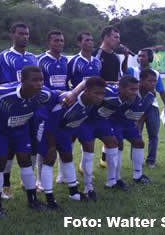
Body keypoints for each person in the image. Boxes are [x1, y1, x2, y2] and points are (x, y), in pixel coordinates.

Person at [0, 65, 58, 218]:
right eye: (34, 80)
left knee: (25, 161)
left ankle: (32, 200)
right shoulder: (1, 94)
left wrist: (72, 93)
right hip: (0, 132)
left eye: (41, 80)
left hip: (21, 131)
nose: (39, 83)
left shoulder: (43, 94)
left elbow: (58, 95)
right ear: (22, 81)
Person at [37, 76, 107, 205]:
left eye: (102, 94)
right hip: (49, 130)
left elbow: (92, 81)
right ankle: (49, 199)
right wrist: (51, 147)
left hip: (65, 131)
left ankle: (73, 192)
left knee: (68, 157)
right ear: (85, 92)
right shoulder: (66, 102)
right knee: (49, 160)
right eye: (96, 94)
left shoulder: (91, 102)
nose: (100, 97)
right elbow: (49, 124)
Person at [54, 32, 102, 184]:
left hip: (91, 107)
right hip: (75, 106)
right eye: (86, 40)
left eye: (92, 40)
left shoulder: (97, 62)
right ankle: (62, 175)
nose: (90, 43)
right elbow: (66, 83)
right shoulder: (73, 61)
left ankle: (83, 168)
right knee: (69, 140)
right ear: (79, 44)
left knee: (88, 138)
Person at [0, 23, 38, 198]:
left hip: (30, 108)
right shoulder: (4, 57)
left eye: (27, 34)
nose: (25, 37)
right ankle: (5, 185)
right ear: (12, 35)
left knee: (30, 147)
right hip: (10, 109)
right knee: (8, 151)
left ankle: (27, 181)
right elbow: (5, 85)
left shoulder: (33, 58)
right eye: (21, 34)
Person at [123, 48, 165, 168]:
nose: (140, 58)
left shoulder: (155, 73)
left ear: (150, 58)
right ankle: (135, 159)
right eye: (138, 56)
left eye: (143, 56)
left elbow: (161, 90)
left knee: (153, 135)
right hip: (136, 106)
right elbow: (123, 70)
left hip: (152, 106)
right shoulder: (132, 70)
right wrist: (126, 57)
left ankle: (151, 160)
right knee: (135, 132)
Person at [36, 30, 68, 190]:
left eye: (61, 41)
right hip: (45, 107)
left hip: (62, 106)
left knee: (63, 139)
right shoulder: (40, 60)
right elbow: (37, 84)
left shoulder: (64, 61)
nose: (60, 43)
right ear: (48, 43)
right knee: (44, 144)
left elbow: (65, 83)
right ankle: (40, 180)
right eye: (56, 41)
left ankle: (62, 175)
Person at [109, 72, 155, 184]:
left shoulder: (151, 95)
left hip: (130, 124)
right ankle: (116, 178)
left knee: (139, 143)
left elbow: (146, 110)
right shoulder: (131, 92)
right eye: (150, 81)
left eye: (155, 81)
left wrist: (139, 123)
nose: (153, 84)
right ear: (141, 82)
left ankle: (137, 176)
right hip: (117, 122)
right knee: (119, 145)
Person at [92, 26, 129, 168]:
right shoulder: (97, 54)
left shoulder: (115, 56)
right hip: (98, 98)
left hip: (113, 99)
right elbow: (94, 79)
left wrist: (125, 57)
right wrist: (113, 83)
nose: (118, 40)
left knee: (109, 127)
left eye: (118, 38)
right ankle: (85, 163)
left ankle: (104, 159)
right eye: (115, 37)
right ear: (106, 37)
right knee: (93, 129)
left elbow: (120, 74)